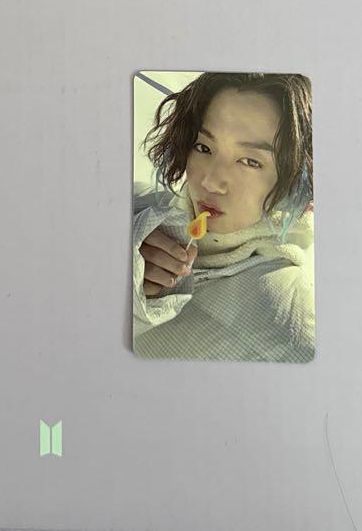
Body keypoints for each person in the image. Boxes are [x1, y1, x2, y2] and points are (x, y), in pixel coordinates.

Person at [132, 72, 314, 362]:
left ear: (297, 181)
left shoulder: (290, 329)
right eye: (203, 147)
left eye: (250, 162)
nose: (211, 182)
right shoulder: (134, 208)